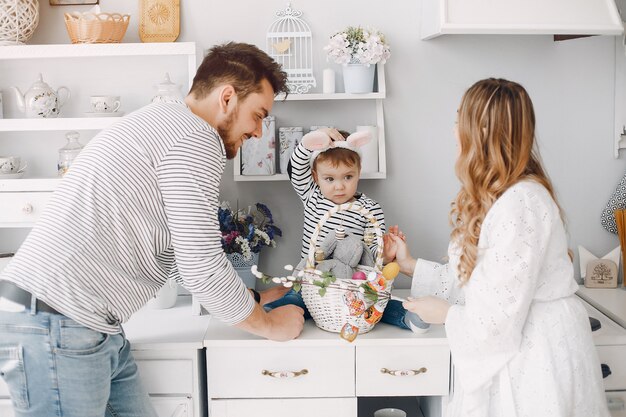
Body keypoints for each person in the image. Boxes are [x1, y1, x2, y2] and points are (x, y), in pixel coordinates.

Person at [0, 42, 304, 417]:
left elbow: (178, 252)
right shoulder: (195, 138)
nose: (258, 132)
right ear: (227, 97)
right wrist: (271, 326)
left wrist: (253, 301)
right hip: (58, 323)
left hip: (79, 324)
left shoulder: (166, 123)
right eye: (258, 115)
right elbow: (201, 264)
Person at [388, 78, 609, 416]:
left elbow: (498, 318)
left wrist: (446, 314)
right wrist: (410, 265)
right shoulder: (503, 195)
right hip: (524, 343)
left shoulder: (520, 203)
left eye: (459, 119)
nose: (453, 130)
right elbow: (487, 284)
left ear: (481, 131)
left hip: (534, 355)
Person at [265, 127, 429, 333]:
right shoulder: (312, 197)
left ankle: (408, 317)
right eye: (330, 179)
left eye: (348, 177)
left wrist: (386, 256)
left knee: (379, 303)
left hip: (354, 284)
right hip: (313, 281)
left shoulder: (370, 209)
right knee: (294, 297)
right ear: (316, 177)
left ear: (359, 173)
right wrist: (310, 142)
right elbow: (296, 169)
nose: (339, 186)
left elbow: (372, 257)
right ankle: (269, 314)